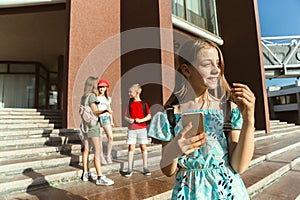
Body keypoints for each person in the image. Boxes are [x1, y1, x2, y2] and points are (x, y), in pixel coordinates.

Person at [148, 39, 256, 199]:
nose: (216, 70)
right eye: (207, 65)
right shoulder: (168, 115)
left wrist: (249, 119)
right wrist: (175, 150)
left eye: (218, 64)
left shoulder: (227, 110)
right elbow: (167, 171)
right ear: (186, 70)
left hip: (227, 192)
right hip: (189, 193)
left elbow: (239, 166)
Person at [80, 76, 114, 186]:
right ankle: (100, 177)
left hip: (85, 127)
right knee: (97, 152)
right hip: (93, 126)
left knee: (86, 150)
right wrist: (106, 110)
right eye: (97, 84)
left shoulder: (83, 97)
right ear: (93, 85)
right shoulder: (92, 97)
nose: (98, 86)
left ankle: (86, 173)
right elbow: (95, 112)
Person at [124, 84, 152, 177]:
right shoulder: (129, 103)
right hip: (131, 129)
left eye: (130, 92)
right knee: (131, 147)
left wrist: (141, 120)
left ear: (136, 93)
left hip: (142, 129)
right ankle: (129, 169)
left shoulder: (144, 103)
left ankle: (145, 167)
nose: (129, 93)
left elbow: (149, 116)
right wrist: (129, 120)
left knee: (143, 147)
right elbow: (125, 116)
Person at [97, 79, 114, 165]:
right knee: (99, 138)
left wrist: (111, 121)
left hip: (106, 118)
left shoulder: (108, 98)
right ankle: (101, 156)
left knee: (110, 137)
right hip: (98, 119)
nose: (101, 89)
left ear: (106, 88)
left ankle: (108, 155)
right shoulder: (96, 98)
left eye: (103, 87)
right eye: (100, 87)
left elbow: (109, 110)